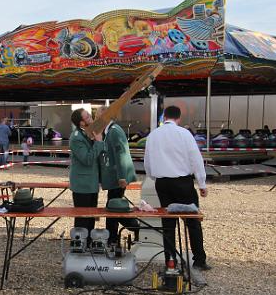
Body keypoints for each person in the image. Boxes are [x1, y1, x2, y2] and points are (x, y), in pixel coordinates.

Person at [143, 105, 211, 270]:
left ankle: (170, 261)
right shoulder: (184, 133)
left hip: (162, 183)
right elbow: (196, 159)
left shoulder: (153, 135)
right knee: (192, 221)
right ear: (178, 118)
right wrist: (202, 183)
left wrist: (154, 176)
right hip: (182, 182)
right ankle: (199, 260)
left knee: (168, 224)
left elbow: (147, 162)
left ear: (164, 117)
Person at [96, 106, 139, 244]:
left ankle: (134, 228)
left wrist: (122, 176)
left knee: (113, 207)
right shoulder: (110, 131)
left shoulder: (114, 131)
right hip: (115, 176)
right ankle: (113, 238)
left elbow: (121, 154)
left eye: (98, 117)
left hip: (118, 178)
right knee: (113, 207)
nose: (96, 120)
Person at [68, 108, 105, 237]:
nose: (91, 117)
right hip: (82, 185)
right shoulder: (76, 138)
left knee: (91, 217)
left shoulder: (88, 133)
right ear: (81, 123)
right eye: (88, 116)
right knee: (82, 219)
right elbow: (87, 159)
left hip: (91, 184)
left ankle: (88, 242)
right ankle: (79, 244)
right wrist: (98, 142)